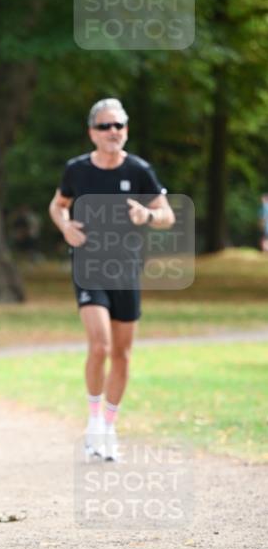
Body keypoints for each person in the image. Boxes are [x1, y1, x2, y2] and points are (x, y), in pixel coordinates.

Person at [49, 97, 174, 461]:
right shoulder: (77, 170)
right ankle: (92, 424)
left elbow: (166, 215)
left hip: (126, 269)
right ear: (92, 132)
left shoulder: (139, 171)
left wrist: (147, 217)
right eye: (105, 126)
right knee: (100, 345)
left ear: (126, 130)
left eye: (119, 125)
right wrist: (65, 225)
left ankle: (108, 426)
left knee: (122, 353)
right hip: (89, 267)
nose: (113, 132)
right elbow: (58, 205)